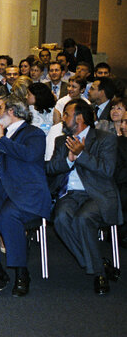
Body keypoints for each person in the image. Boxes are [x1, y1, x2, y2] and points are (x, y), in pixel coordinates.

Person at [0, 95, 51, 297]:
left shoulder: (34, 133)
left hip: (24, 191)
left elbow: (29, 155)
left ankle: (22, 273)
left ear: (12, 111)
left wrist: (1, 139)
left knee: (8, 216)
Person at [47, 99, 121, 295]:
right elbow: (51, 168)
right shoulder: (61, 141)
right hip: (70, 194)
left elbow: (107, 170)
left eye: (66, 114)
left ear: (78, 118)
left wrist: (81, 155)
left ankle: (99, 274)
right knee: (61, 218)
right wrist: (68, 160)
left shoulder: (105, 139)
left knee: (83, 218)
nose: (63, 119)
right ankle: (98, 262)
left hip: (97, 194)